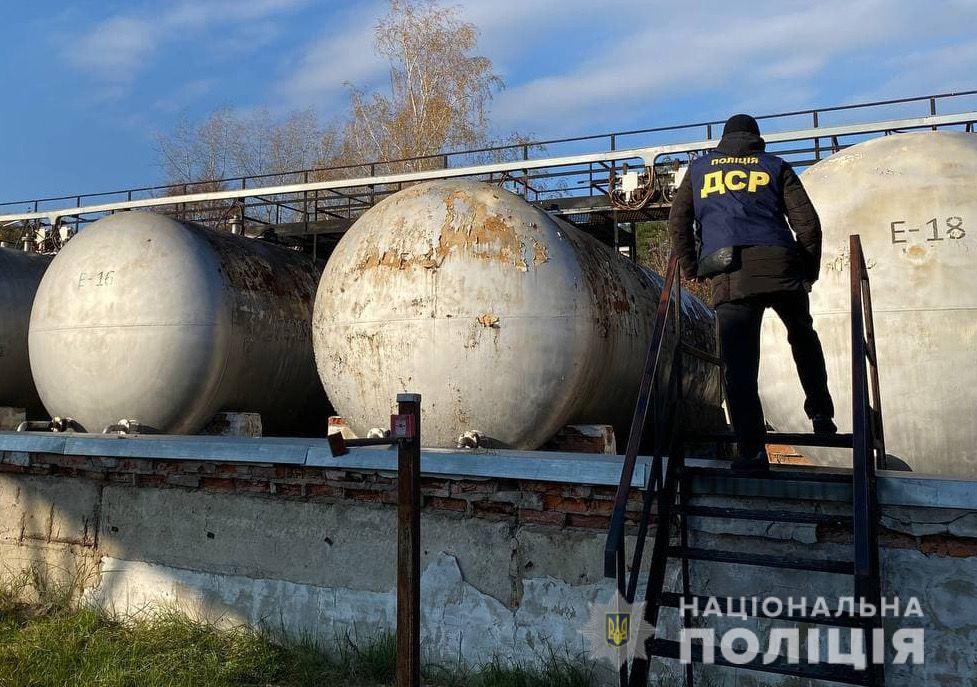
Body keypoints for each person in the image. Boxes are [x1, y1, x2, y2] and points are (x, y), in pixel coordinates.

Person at [667, 113, 836, 474]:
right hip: (781, 266)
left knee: (740, 366)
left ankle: (752, 454)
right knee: (803, 336)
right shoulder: (774, 166)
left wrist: (691, 268)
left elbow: (677, 222)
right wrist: (807, 271)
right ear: (756, 138)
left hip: (731, 275)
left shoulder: (700, 170)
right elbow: (807, 223)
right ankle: (821, 412)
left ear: (724, 140)